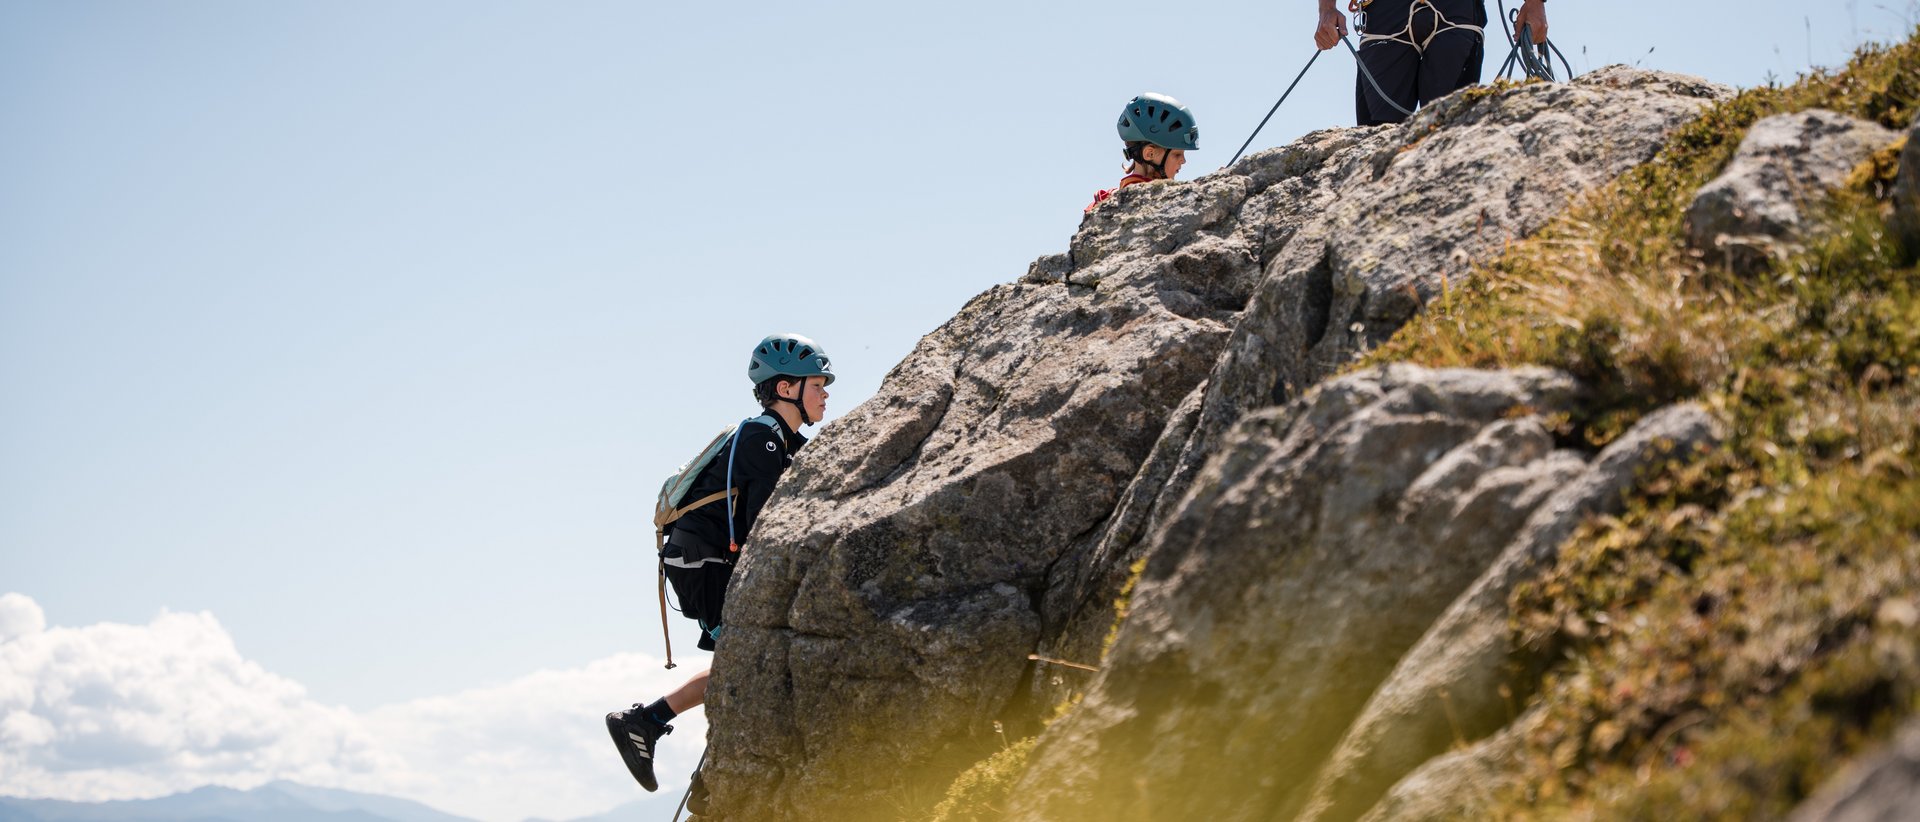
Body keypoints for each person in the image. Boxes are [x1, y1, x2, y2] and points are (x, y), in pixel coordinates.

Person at [606, 333, 834, 794]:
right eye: (817, 384)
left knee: (739, 658)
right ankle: (700, 764)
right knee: (743, 659)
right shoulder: (762, 437)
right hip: (700, 558)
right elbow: (762, 524)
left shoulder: (783, 442)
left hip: (702, 556)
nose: (826, 393)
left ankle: (647, 723)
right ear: (786, 389)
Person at [1313, 0, 1549, 126]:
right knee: (1374, 139)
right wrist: (1327, 8)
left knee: (1450, 127)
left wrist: (1535, 3)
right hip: (1385, 12)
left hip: (1454, 8)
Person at [1085, 92, 1200, 213]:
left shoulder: (1106, 202)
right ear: (1149, 154)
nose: (1184, 161)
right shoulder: (1153, 203)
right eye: (1177, 154)